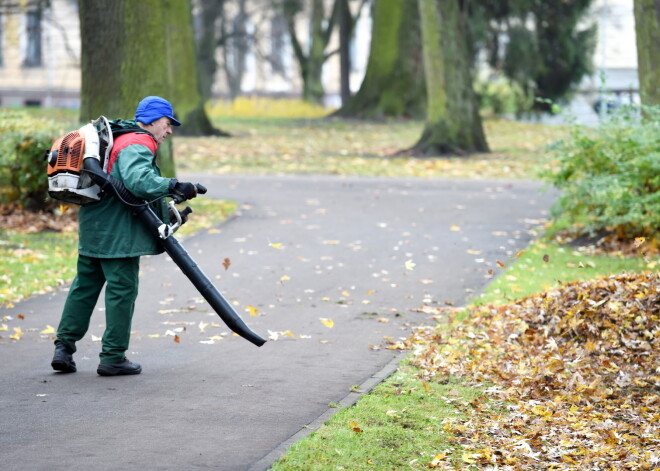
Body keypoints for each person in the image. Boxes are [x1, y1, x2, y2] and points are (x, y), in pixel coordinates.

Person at [51, 96, 198, 376]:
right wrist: (174, 184)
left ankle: (64, 348)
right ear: (154, 120)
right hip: (120, 234)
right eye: (167, 124)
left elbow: (122, 185)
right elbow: (137, 182)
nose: (169, 131)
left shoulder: (117, 137)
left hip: (94, 226)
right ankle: (113, 357)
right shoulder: (137, 142)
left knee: (84, 287)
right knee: (121, 291)